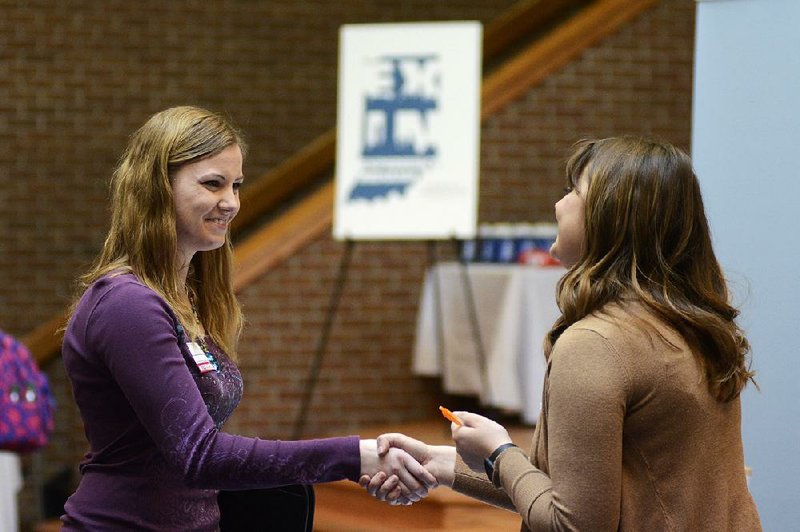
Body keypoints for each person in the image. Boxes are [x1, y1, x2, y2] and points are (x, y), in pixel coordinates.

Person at [59, 106, 435, 530]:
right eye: (213, 184)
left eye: (236, 185)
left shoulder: (185, 298)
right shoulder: (127, 304)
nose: (232, 203)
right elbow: (200, 456)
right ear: (157, 188)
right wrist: (353, 455)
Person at [362, 136, 762, 530]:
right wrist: (438, 463)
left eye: (573, 191)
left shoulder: (596, 344)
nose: (558, 204)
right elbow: (567, 490)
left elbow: (573, 523)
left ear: (612, 220)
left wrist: (499, 452)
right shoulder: (689, 322)